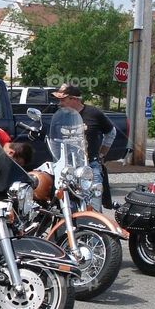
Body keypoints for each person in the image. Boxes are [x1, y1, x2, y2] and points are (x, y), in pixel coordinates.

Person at [52, 83, 116, 212]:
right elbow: (53, 140)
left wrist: (102, 154)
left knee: (94, 208)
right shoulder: (60, 116)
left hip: (90, 167)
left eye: (63, 99)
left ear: (75, 99)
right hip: (68, 169)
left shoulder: (94, 113)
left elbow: (111, 132)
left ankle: (95, 222)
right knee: (65, 208)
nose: (60, 103)